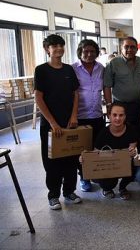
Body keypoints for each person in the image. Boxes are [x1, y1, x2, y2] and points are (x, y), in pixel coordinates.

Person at [34, 34, 82, 210]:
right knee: (51, 161)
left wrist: (74, 116)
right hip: (50, 125)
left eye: (61, 45)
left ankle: (69, 191)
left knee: (71, 157)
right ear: (47, 49)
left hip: (69, 123)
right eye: (54, 46)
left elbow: (75, 93)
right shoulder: (41, 70)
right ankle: (53, 195)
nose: (59, 49)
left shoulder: (69, 70)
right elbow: (38, 98)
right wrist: (53, 124)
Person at [103, 37, 140, 150]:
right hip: (120, 107)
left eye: (132, 47)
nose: (129, 49)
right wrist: (109, 105)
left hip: (139, 106)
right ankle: (126, 164)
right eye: (126, 47)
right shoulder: (113, 63)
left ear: (137, 49)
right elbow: (107, 86)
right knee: (124, 136)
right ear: (121, 48)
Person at [72, 39, 106, 192]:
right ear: (80, 52)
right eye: (86, 51)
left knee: (96, 147)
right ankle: (84, 178)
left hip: (97, 115)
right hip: (80, 115)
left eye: (92, 51)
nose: (89, 54)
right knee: (82, 150)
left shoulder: (101, 68)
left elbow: (105, 89)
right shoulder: (73, 69)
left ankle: (95, 174)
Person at [92, 102, 138, 200]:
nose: (117, 118)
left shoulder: (131, 130)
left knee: (134, 167)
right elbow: (95, 154)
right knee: (107, 182)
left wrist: (132, 152)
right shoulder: (103, 133)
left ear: (125, 116)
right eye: (114, 115)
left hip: (124, 163)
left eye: (121, 115)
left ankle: (122, 188)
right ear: (109, 116)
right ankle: (107, 189)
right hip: (107, 165)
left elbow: (132, 148)